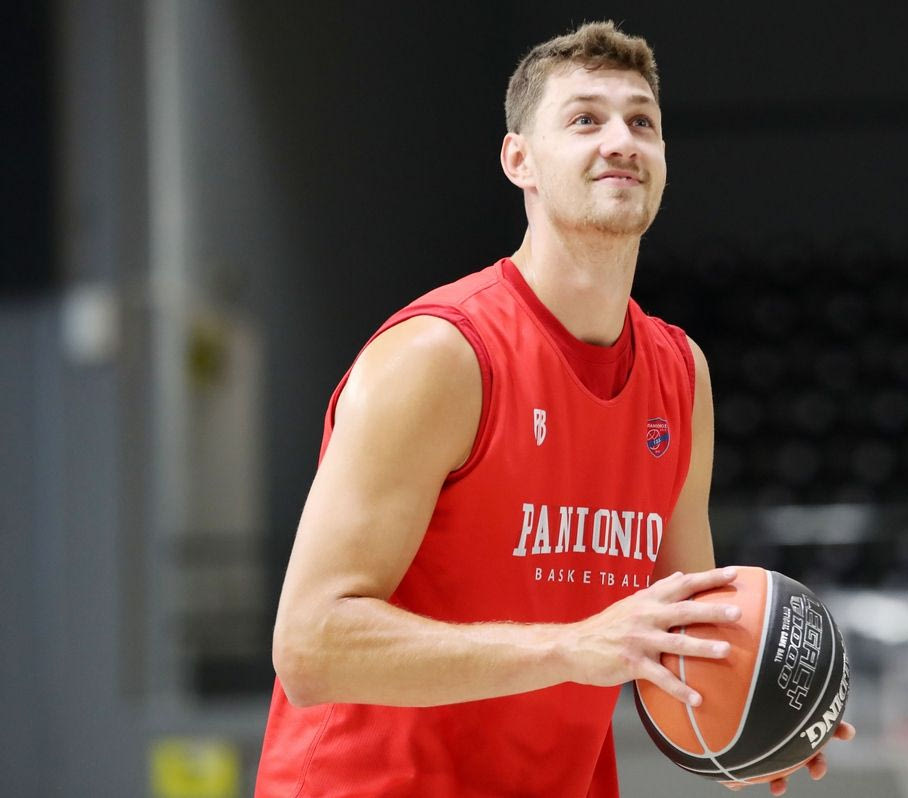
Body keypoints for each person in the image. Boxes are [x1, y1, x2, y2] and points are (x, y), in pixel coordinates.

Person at [255, 20, 853, 797]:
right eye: (585, 120)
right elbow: (310, 646)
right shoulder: (441, 356)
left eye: (642, 122)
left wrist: (759, 715)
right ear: (520, 161)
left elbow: (684, 644)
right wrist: (570, 648)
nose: (621, 140)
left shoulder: (681, 374)